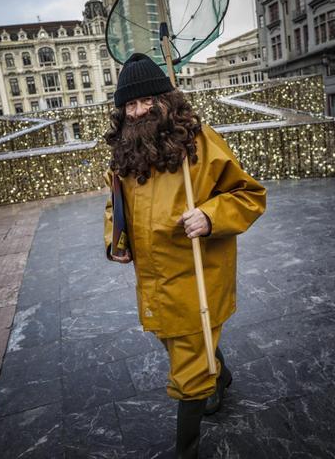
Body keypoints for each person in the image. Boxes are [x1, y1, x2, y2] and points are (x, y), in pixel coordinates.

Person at [103, 53, 266, 458]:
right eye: (129, 105)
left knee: (189, 369)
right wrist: (116, 240)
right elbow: (115, 207)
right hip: (154, 282)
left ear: (165, 100)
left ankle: (187, 449)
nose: (137, 111)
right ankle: (220, 374)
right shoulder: (126, 152)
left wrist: (210, 216)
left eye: (144, 102)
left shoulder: (199, 143)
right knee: (177, 342)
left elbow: (249, 195)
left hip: (198, 276)